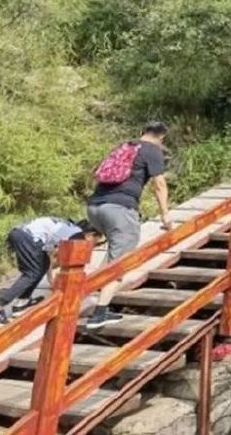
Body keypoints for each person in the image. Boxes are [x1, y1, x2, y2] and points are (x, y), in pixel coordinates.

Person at [85, 121, 172, 328]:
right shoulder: (153, 151)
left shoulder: (125, 146)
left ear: (142, 131)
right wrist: (165, 215)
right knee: (122, 261)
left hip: (95, 208)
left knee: (113, 253)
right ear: (162, 137)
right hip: (120, 209)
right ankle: (98, 314)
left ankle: (93, 295)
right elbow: (159, 185)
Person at [0, 217, 99, 325]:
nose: (93, 246)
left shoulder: (71, 230)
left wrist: (49, 277)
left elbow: (49, 257)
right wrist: (51, 279)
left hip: (23, 234)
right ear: (91, 234)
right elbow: (58, 259)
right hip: (29, 237)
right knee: (32, 273)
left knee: (38, 269)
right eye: (96, 242)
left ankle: (22, 303)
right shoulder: (78, 237)